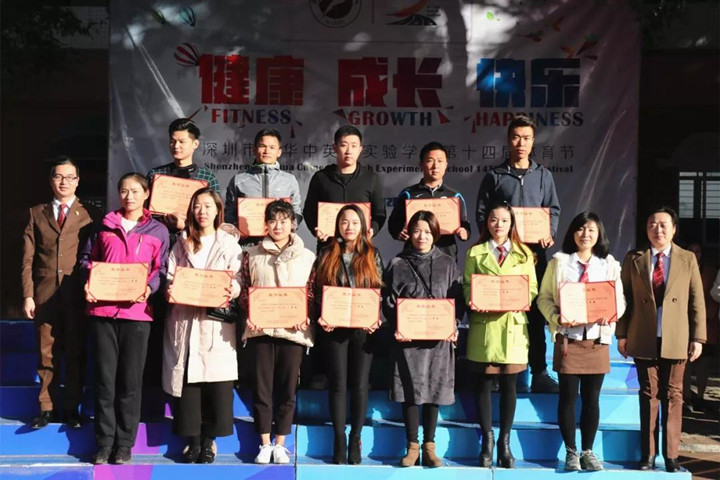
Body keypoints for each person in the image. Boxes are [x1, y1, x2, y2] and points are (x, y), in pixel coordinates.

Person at [80, 173, 169, 465]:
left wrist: (150, 288)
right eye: (124, 191)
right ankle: (104, 442)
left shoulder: (158, 231)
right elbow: (86, 259)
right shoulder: (103, 225)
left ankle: (124, 444)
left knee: (130, 382)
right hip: (103, 312)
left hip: (137, 314)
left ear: (146, 194)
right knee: (105, 381)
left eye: (135, 191)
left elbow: (161, 269)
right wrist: (89, 281)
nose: (129, 196)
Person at [616, 207, 705, 473]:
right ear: (646, 229)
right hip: (643, 335)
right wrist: (622, 333)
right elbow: (624, 299)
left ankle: (672, 455)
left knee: (674, 394)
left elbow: (696, 299)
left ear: (674, 229)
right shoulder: (634, 258)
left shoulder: (687, 258)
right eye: (652, 224)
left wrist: (698, 337)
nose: (658, 230)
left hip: (676, 337)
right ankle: (648, 454)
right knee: (648, 394)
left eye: (664, 225)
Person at [475, 115, 560, 393]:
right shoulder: (495, 176)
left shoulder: (543, 176)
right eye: (516, 137)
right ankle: (497, 372)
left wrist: (549, 232)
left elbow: (553, 210)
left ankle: (539, 372)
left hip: (533, 256)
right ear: (508, 140)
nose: (521, 143)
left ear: (533, 142)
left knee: (535, 313)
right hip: (502, 257)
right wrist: (494, 240)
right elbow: (482, 213)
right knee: (500, 311)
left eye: (526, 138)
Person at [537, 212, 626, 471]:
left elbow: (620, 301)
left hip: (597, 340)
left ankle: (588, 451)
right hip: (569, 340)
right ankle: (571, 451)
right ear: (572, 233)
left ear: (599, 234)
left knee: (592, 398)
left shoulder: (609, 264)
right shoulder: (559, 263)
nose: (585, 234)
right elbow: (544, 297)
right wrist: (557, 317)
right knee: (567, 398)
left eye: (591, 230)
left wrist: (610, 313)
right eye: (580, 229)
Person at [162, 188, 243, 464]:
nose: (202, 211)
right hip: (185, 318)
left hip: (215, 323)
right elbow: (170, 275)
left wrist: (230, 289)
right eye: (197, 206)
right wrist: (171, 289)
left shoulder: (229, 244)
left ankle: (210, 440)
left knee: (215, 382)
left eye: (208, 206)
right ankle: (192, 440)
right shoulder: (181, 243)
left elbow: (239, 277)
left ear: (218, 210)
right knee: (189, 383)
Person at [21, 156, 99, 429]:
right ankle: (46, 407)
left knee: (76, 351)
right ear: (51, 180)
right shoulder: (36, 213)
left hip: (77, 294)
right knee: (46, 352)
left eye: (69, 177)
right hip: (44, 294)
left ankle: (72, 408)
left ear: (78, 181)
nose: (63, 182)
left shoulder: (90, 214)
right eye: (58, 176)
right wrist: (28, 294)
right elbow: (28, 259)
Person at [384, 211, 463, 468]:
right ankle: (412, 446)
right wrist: (398, 323)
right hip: (409, 340)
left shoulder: (448, 264)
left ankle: (430, 446)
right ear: (409, 233)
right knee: (410, 390)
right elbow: (388, 302)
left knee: (434, 389)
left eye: (428, 232)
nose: (422, 237)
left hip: (438, 340)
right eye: (417, 231)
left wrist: (453, 323)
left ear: (435, 234)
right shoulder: (397, 263)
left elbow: (457, 299)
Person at [239, 200, 315, 464]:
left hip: (293, 333)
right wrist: (251, 312)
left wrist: (304, 314)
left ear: (293, 223)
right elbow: (245, 289)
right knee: (262, 390)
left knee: (287, 390)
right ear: (266, 225)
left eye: (284, 220)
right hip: (260, 331)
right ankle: (264, 443)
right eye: (272, 221)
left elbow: (312, 291)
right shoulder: (251, 254)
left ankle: (280, 443)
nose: (278, 226)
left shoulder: (308, 256)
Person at [464, 201, 538, 469]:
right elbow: (467, 286)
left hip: (512, 326)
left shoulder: (524, 253)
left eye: (504, 220)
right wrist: (474, 300)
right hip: (486, 326)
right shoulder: (475, 253)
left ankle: (505, 443)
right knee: (483, 385)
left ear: (511, 224)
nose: (499, 225)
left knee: (510, 385)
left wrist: (520, 300)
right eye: (494, 219)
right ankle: (487, 441)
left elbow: (532, 288)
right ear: (487, 223)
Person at [308, 205, 384, 464]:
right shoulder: (326, 252)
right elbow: (317, 289)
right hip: (335, 328)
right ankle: (339, 438)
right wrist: (323, 315)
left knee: (360, 385)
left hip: (363, 329)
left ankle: (355, 438)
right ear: (337, 226)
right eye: (344, 222)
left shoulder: (372, 254)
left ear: (363, 226)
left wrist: (375, 317)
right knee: (338, 384)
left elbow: (378, 290)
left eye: (354, 222)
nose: (349, 227)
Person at [303, 125, 386, 251]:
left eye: (354, 146)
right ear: (334, 148)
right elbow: (309, 211)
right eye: (344, 145)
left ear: (360, 149)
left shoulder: (371, 178)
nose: (349, 151)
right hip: (329, 247)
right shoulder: (321, 178)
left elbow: (379, 213)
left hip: (359, 248)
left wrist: (372, 230)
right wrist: (316, 229)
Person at [387, 141, 471, 260]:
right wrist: (399, 233)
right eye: (430, 160)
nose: (435, 166)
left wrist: (465, 232)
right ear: (421, 165)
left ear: (446, 165)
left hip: (446, 257)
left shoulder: (454, 196)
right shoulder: (408, 194)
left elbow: (465, 224)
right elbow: (393, 223)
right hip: (414, 258)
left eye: (440, 161)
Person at [224, 128, 303, 245]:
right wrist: (237, 229)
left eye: (272, 147)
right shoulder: (239, 180)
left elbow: (296, 210)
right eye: (262, 146)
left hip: (280, 245)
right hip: (248, 245)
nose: (267, 151)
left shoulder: (289, 180)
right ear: (254, 149)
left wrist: (290, 227)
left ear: (279, 152)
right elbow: (229, 212)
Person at [147, 118, 220, 235]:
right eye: (172, 141)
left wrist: (185, 226)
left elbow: (216, 216)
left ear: (195, 144)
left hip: (195, 240)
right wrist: (163, 221)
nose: (176, 146)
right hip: (159, 237)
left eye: (182, 142)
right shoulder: (155, 174)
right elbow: (143, 212)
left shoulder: (207, 178)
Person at [683, 242, 718, 412]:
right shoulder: (680, 269)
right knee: (685, 362)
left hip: (707, 323)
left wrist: (710, 315)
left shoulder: (710, 272)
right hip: (684, 322)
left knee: (704, 363)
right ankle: (686, 397)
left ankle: (701, 397)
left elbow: (715, 295)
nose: (694, 254)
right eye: (691, 250)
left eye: (697, 251)